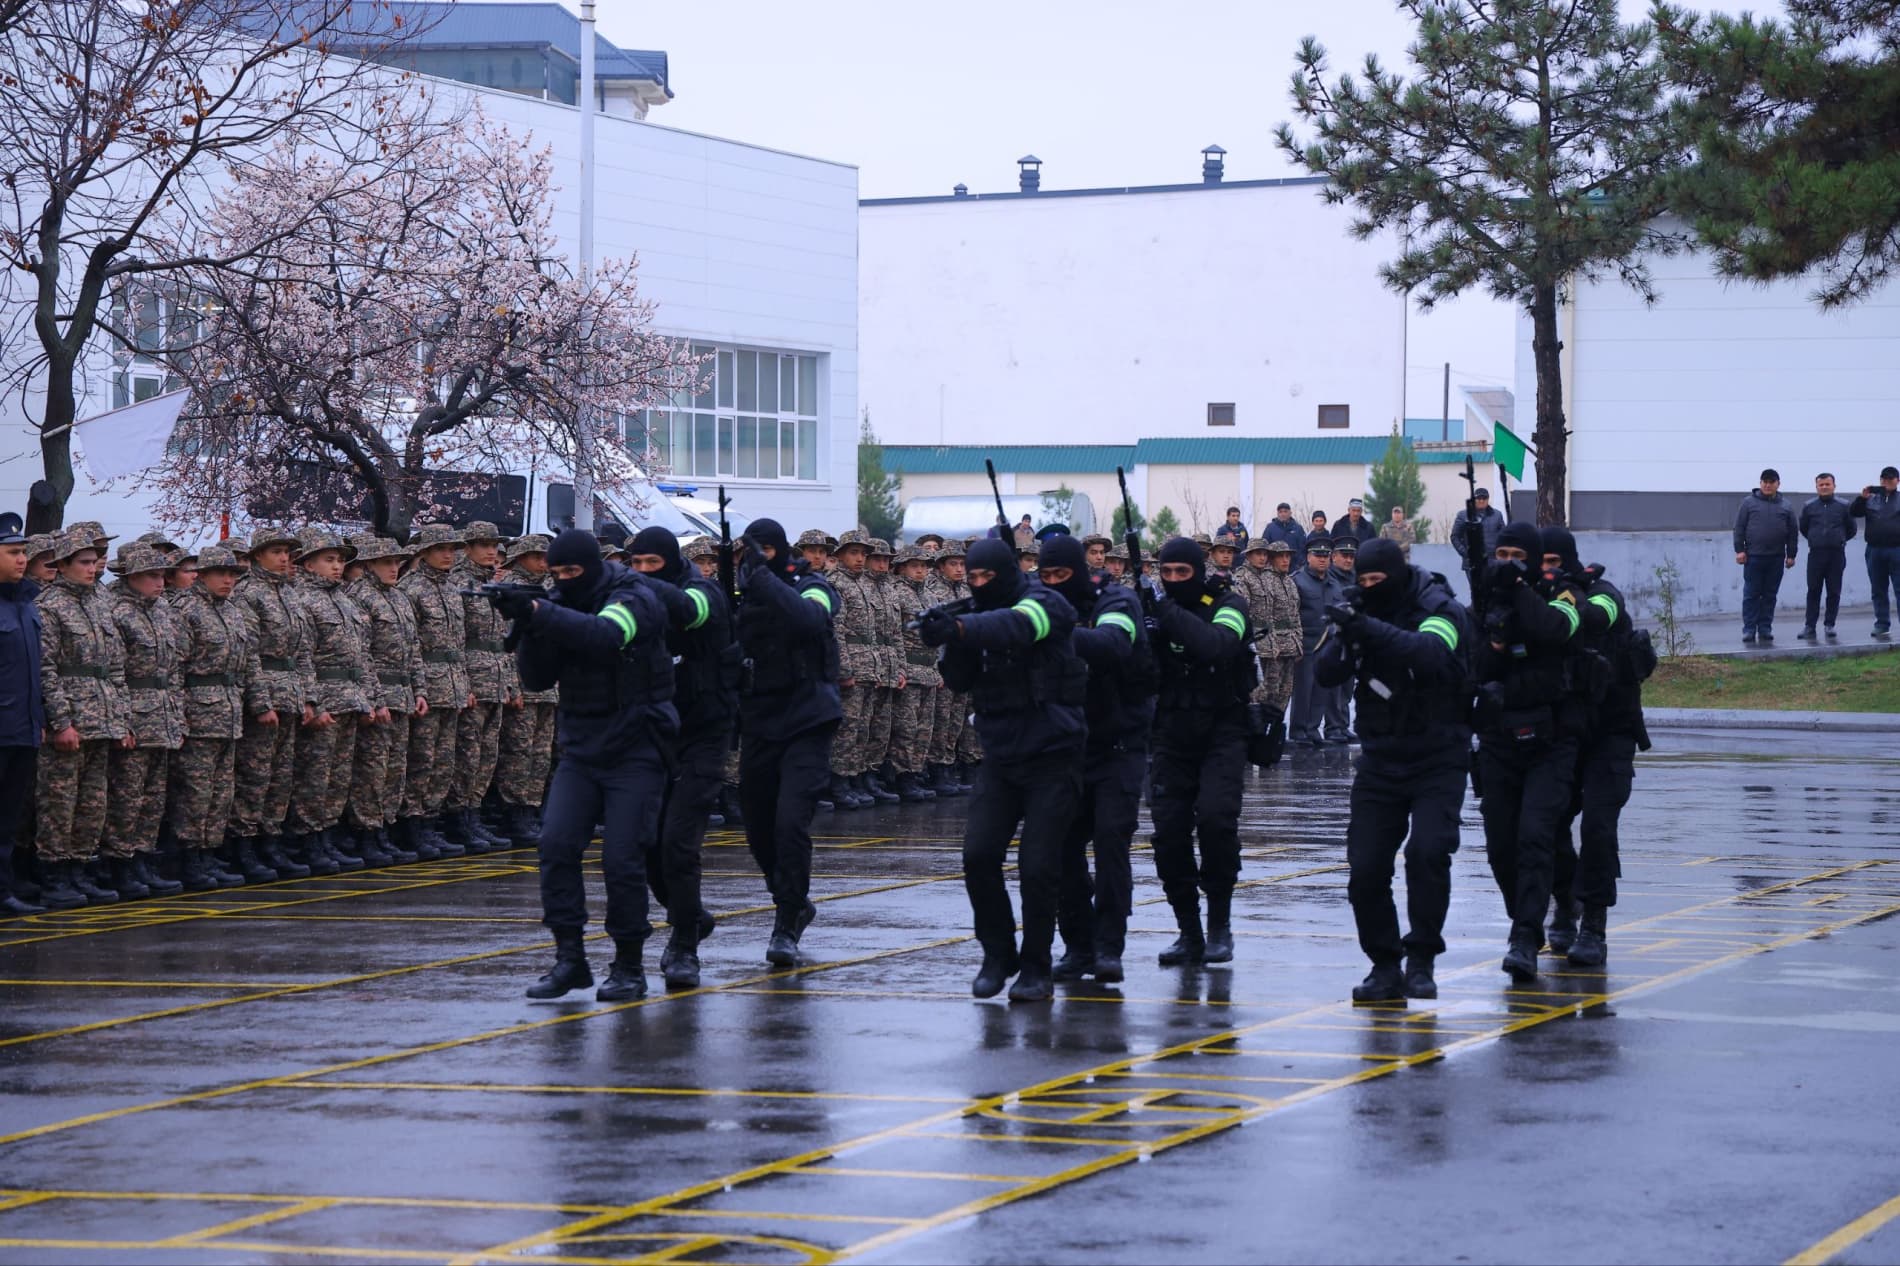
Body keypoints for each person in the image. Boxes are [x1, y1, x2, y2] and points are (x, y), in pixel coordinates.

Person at [490, 529, 678, 1001]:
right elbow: (536, 678)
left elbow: (607, 636)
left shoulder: (633, 595)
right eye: (556, 574)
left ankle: (629, 965)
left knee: (622, 858)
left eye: (572, 571)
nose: (564, 580)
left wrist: (540, 612)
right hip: (581, 748)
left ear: (593, 567)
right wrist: (529, 624)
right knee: (555, 845)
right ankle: (569, 957)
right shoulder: (558, 603)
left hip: (637, 747)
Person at [922, 536, 1086, 1001]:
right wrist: (950, 637)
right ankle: (997, 953)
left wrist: (961, 628)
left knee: (1038, 867)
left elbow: (1018, 626)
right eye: (972, 578)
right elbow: (959, 681)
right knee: (978, 855)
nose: (979, 584)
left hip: (1053, 754)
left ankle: (1036, 967)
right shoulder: (975, 615)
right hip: (1000, 755)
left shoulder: (1045, 602)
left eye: (987, 577)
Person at [1316, 537, 1473, 1002]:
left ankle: (1421, 959)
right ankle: (1384, 966)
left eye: (1378, 580)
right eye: (1362, 580)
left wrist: (1366, 627)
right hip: (1381, 759)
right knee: (1365, 867)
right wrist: (1347, 630)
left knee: (1427, 853)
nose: (1370, 587)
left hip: (1438, 756)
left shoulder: (1437, 605)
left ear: (1398, 575)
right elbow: (1326, 672)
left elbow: (1429, 652)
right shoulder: (1360, 610)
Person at [1474, 522, 1590, 982]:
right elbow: (1476, 666)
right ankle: (1526, 913)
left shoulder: (1564, 594)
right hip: (1499, 741)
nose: (1507, 563)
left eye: (1518, 556)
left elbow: (1554, 630)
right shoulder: (1486, 599)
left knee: (1536, 835)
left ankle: (1525, 936)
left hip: (1551, 741)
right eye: (1501, 555)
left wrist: (1519, 589)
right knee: (1501, 846)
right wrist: (1495, 638)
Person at [628, 525, 735, 990]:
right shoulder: (631, 597)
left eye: (653, 564)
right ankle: (687, 913)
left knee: (678, 842)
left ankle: (684, 945)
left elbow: (690, 611)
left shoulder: (702, 591)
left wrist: (631, 584)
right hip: (654, 732)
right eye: (636, 564)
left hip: (704, 732)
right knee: (646, 842)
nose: (644, 572)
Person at [1042, 534, 1153, 984]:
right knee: (1061, 849)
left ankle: (1109, 945)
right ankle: (1078, 944)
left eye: (1062, 574)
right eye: (1046, 575)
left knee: (1111, 842)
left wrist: (1050, 631)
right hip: (1066, 749)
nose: (1053, 583)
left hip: (1117, 746)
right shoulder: (1038, 604)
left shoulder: (1116, 600)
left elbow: (1112, 643)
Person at [735, 519, 843, 964]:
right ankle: (788, 895)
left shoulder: (814, 586)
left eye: (765, 551)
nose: (757, 560)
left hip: (807, 720)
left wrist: (763, 580)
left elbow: (810, 619)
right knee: (758, 829)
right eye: (751, 553)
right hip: (759, 720)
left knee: (790, 823)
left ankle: (787, 919)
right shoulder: (740, 591)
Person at [1540, 527, 1645, 969]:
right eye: (1540, 563)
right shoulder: (1536, 601)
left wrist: (1569, 596)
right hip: (1563, 733)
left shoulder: (1602, 593)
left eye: (1553, 563)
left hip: (1610, 732)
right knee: (1547, 823)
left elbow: (1599, 616)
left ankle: (1594, 925)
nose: (1546, 571)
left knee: (1598, 827)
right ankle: (1565, 903)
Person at [1147, 537, 1254, 966]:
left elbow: (1218, 644)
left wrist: (1166, 614)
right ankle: (1188, 932)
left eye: (1182, 573)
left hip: (1222, 731)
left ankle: (1219, 927)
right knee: (1169, 833)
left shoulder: (1229, 603)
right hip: (1171, 732)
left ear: (1199, 571)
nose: (1173, 580)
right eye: (1166, 573)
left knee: (1215, 822)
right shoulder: (1153, 610)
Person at [34, 527, 131, 907]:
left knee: (93, 802)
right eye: (84, 562)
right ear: (62, 565)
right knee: (59, 801)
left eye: (94, 562)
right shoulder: (49, 606)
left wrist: (121, 719)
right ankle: (54, 875)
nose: (93, 568)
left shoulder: (100, 603)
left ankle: (79, 869)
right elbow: (45, 670)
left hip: (102, 718)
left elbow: (116, 668)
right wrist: (61, 722)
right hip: (72, 720)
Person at [229, 526, 317, 881]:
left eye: (286, 553)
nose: (283, 559)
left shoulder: (289, 593)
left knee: (280, 777)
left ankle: (271, 839)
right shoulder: (247, 594)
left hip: (290, 694)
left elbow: (303, 651)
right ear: (257, 557)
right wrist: (261, 702)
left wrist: (309, 697)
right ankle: (244, 844)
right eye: (275, 552)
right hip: (265, 695)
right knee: (255, 775)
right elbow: (247, 654)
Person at [166, 545, 252, 892]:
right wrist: (179, 716)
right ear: (202, 575)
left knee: (221, 791)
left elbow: (243, 664)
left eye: (232, 574)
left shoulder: (231, 610)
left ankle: (209, 852)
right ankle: (188, 856)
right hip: (198, 712)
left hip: (228, 711)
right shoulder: (186, 610)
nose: (228, 580)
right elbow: (175, 670)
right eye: (221, 573)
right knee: (195, 791)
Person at [102, 544, 186, 898]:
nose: (160, 582)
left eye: (162, 575)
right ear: (132, 577)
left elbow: (174, 669)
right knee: (127, 795)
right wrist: (122, 722)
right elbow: (113, 674)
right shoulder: (117, 613)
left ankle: (143, 859)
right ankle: (119, 864)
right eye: (152, 576)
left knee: (153, 797)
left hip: (162, 715)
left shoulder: (162, 611)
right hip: (135, 714)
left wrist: (177, 716)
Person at [345, 537, 425, 864]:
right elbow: (361, 656)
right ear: (369, 565)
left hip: (402, 694)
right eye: (386, 563)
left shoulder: (399, 597)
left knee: (395, 768)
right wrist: (375, 700)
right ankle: (366, 832)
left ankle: (386, 828)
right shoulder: (360, 597)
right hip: (380, 694)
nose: (394, 568)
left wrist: (420, 690)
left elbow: (414, 649)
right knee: (372, 769)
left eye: (397, 562)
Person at [400, 524, 473, 857]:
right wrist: (418, 688)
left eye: (452, 549)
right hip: (428, 684)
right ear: (425, 552)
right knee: (421, 759)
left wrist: (465, 684)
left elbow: (460, 643)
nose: (448, 555)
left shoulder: (452, 588)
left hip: (453, 684)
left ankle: (431, 822)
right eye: (441, 549)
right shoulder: (411, 589)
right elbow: (410, 646)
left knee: (444, 761)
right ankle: (412, 824)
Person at [448, 522, 517, 853]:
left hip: (497, 678)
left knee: (487, 755)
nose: (492, 551)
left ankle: (474, 814)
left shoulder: (493, 585)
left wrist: (511, 682)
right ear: (468, 548)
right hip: (473, 679)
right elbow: (454, 640)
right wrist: (464, 683)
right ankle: (459, 817)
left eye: (494, 545)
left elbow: (504, 639)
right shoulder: (458, 585)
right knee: (468, 753)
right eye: (484, 545)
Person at [493, 535, 557, 844]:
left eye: (546, 556)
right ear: (520, 558)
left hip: (547, 684)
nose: (543, 562)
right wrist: (511, 684)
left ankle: (533, 807)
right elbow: (505, 643)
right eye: (536, 556)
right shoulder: (511, 589)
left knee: (541, 753)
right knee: (519, 751)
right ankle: (515, 811)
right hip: (522, 680)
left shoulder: (548, 587)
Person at [1, 512, 47, 916]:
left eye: (22, 552)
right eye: (13, 552)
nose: (22, 559)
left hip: (22, 729)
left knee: (8, 818)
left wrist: (39, 721)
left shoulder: (27, 604)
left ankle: (4, 890)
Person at [825, 529, 877, 810]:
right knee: (846, 728)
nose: (860, 559)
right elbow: (837, 631)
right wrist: (844, 670)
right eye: (854, 553)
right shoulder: (836, 584)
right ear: (841, 555)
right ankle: (838, 782)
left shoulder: (865, 583)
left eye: (863, 554)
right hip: (852, 666)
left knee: (862, 728)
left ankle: (854, 777)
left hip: (869, 665)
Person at [887, 545, 941, 803]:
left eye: (924, 566)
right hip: (909, 668)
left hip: (929, 669)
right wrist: (899, 668)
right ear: (901, 568)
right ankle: (902, 776)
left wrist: (938, 669)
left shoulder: (930, 597)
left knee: (924, 728)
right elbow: (894, 634)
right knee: (905, 728)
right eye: (914, 565)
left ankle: (916, 772)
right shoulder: (897, 593)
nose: (920, 570)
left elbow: (937, 637)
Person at [1238, 539, 1303, 722]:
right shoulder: (1260, 578)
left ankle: (1275, 729)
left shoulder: (1289, 581)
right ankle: (1260, 728)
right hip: (1264, 645)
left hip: (1286, 644)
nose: (1285, 560)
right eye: (1280, 556)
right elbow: (1263, 615)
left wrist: (1298, 641)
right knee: (1264, 693)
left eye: (1288, 556)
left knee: (1284, 692)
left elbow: (1294, 614)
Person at [1733, 468, 1799, 645]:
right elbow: (1739, 528)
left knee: (1770, 595)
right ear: (1760, 483)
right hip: (1753, 557)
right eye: (1765, 482)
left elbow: (1793, 532)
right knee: (1751, 595)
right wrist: (1739, 550)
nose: (1768, 485)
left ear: (1778, 484)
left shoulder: (1786, 506)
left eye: (1771, 482)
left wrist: (1791, 555)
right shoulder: (1748, 503)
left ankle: (1765, 628)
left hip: (1776, 558)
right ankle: (1749, 629)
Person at [1289, 538, 1338, 747]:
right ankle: (1298, 730)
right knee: (1303, 690)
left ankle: (1312, 729)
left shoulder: (1333, 583)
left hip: (1327, 645)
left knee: (1321, 690)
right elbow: (1291, 614)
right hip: (1306, 644)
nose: (1322, 559)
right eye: (1318, 555)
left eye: (1326, 556)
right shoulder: (1297, 581)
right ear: (1309, 557)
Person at [1797, 474, 1856, 640]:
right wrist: (1816, 539)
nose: (1824, 487)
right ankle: (1809, 626)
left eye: (1827, 484)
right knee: (1813, 590)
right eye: (1821, 484)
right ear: (1816, 487)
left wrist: (1839, 539)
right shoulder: (1808, 506)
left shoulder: (1844, 506)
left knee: (1834, 591)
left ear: (1834, 486)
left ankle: (1830, 625)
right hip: (1816, 554)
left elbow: (1851, 529)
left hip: (1836, 554)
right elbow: (1804, 528)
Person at [1850, 465, 1900, 641]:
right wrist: (1861, 498)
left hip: (1897, 550)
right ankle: (1882, 624)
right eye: (1884, 479)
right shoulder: (1870, 499)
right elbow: (1853, 512)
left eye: (1890, 479)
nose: (1887, 482)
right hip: (1875, 550)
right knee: (1878, 589)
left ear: (1897, 480)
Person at [1451, 487, 1504, 569]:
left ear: (1488, 499)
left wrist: (1501, 554)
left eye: (1484, 498)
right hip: (1472, 562)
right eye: (1478, 498)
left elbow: (1503, 536)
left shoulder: (1497, 515)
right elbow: (1455, 537)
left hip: (1493, 561)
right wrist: (1466, 553)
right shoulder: (1463, 515)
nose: (1481, 501)